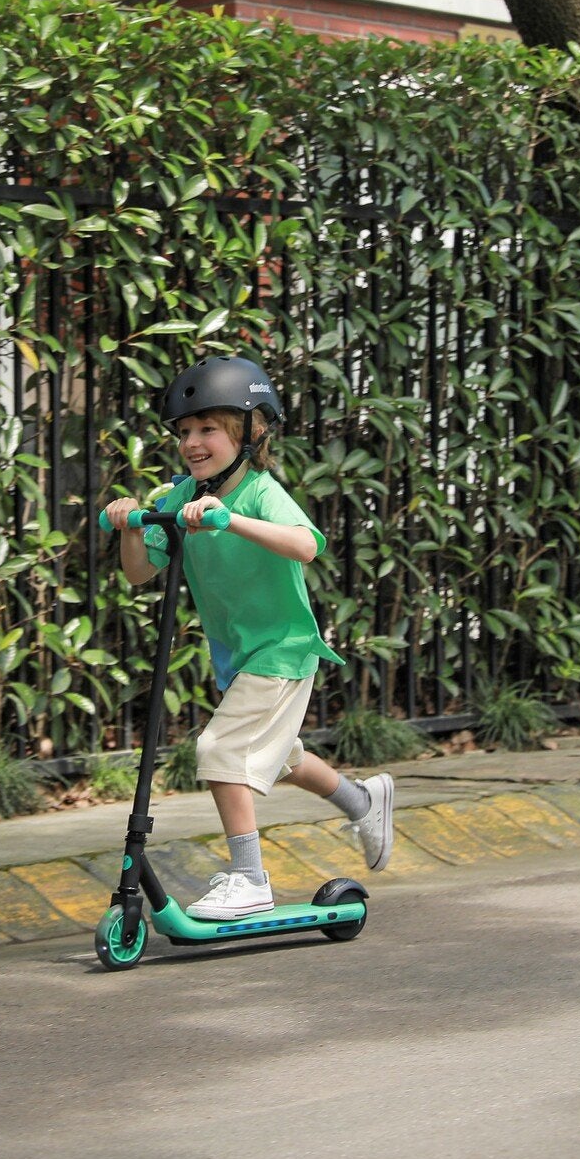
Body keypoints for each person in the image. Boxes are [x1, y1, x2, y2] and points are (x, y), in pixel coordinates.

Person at [101, 354, 395, 921]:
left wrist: (227, 518)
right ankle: (362, 800)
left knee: (220, 751)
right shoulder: (180, 495)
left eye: (208, 428)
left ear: (251, 430)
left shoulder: (259, 492)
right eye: (185, 431)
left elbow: (307, 545)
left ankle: (248, 876)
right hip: (238, 654)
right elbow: (140, 572)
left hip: (282, 649)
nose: (192, 441)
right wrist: (130, 523)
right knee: (279, 754)